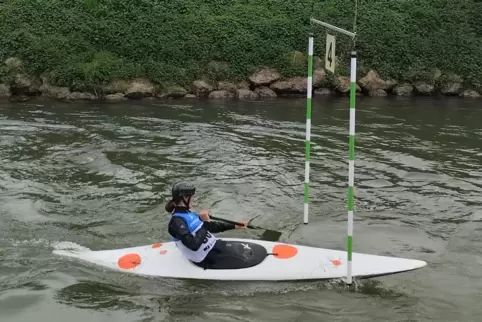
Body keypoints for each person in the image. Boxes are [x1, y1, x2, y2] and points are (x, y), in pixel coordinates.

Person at [165, 181, 249, 269]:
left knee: (244, 253)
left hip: (214, 247)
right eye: (192, 197)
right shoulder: (176, 222)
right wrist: (203, 221)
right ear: (185, 198)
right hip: (205, 258)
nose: (194, 199)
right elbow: (193, 245)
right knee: (245, 259)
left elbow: (211, 226)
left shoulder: (189, 214)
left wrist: (235, 225)